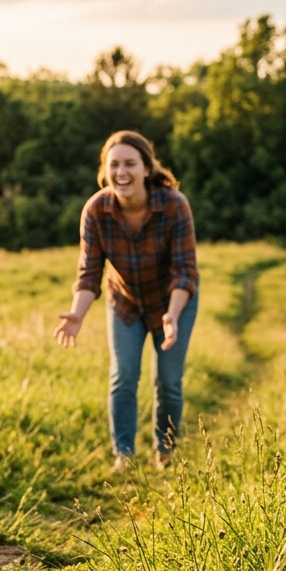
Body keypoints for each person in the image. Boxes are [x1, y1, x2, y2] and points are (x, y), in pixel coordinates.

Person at [54, 131, 199, 472]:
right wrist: (76, 314)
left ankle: (165, 451)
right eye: (114, 164)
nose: (122, 172)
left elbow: (185, 271)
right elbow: (89, 272)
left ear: (147, 169)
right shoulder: (96, 210)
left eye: (130, 164)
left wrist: (173, 315)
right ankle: (125, 456)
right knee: (123, 376)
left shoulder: (174, 205)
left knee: (168, 382)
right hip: (126, 303)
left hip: (173, 302)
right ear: (105, 171)